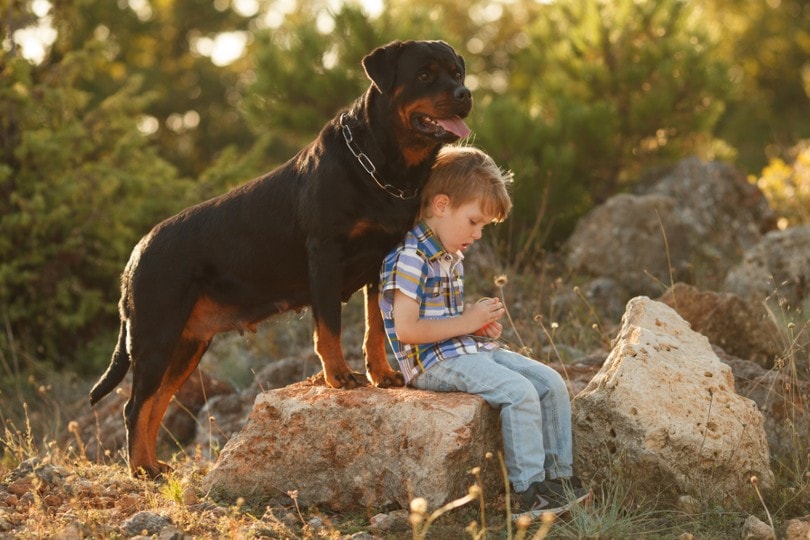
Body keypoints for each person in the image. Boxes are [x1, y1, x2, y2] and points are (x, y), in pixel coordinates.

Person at [379, 145, 590, 517]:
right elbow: (408, 330)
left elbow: (446, 319)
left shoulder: (449, 255)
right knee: (518, 391)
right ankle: (529, 493)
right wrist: (467, 322)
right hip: (432, 363)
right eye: (474, 222)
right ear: (441, 205)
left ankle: (559, 480)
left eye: (483, 227)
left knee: (550, 381)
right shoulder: (410, 258)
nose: (477, 234)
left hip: (462, 350)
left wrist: (479, 329)